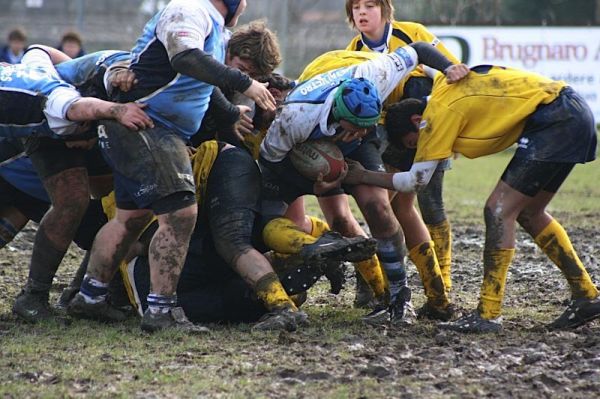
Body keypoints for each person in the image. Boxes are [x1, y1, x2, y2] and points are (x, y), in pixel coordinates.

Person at [66, 0, 277, 333]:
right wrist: (244, 83)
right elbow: (185, 58)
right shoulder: (189, 8)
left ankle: (90, 297)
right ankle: (161, 312)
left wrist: (231, 114)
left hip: (143, 126)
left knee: (130, 218)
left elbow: (199, 84)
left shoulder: (214, 26)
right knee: (180, 215)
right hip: (149, 125)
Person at [344, 64, 600, 333]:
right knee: (529, 213)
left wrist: (362, 176)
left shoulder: (434, 119)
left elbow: (415, 180)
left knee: (498, 210)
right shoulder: (443, 84)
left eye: (412, 143)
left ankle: (489, 313)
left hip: (555, 119)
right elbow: (435, 70)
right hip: (572, 112)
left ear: (415, 120)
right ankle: (586, 294)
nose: (417, 148)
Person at [259, 43, 469, 325]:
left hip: (355, 144)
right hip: (306, 147)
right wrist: (312, 186)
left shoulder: (377, 74)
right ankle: (281, 276)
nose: (362, 130)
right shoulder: (294, 119)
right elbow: (270, 167)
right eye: (356, 126)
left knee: (378, 207)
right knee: (295, 218)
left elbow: (418, 49)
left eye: (366, 125)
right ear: (338, 114)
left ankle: (398, 300)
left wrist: (448, 67)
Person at [118, 139, 376, 331]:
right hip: (219, 220)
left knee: (230, 247)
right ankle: (296, 262)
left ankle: (284, 295)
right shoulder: (259, 129)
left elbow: (136, 242)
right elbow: (295, 220)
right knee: (244, 256)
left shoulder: (131, 176)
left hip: (189, 247)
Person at [1, 46, 154, 323]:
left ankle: (81, 293)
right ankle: (36, 296)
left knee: (113, 203)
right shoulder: (53, 97)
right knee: (70, 200)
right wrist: (115, 112)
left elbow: (38, 50)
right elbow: (74, 106)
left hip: (76, 123)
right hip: (40, 142)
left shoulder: (45, 77)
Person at [344, 0, 460, 312]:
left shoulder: (413, 34)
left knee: (431, 204)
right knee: (386, 206)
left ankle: (442, 285)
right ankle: (376, 282)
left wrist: (450, 128)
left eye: (370, 5)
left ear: (385, 10)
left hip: (428, 128)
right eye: (356, 7)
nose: (362, 12)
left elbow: (453, 74)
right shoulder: (354, 47)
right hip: (386, 134)